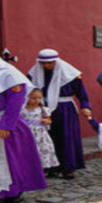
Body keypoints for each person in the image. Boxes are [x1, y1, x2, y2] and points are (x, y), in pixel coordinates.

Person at [0, 41, 47, 203]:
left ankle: (13, 191)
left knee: (12, 158)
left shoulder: (9, 75)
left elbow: (15, 102)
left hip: (5, 122)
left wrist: (6, 125)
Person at [29, 48, 92, 179]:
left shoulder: (71, 75)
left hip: (65, 109)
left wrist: (85, 107)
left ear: (56, 62)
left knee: (66, 138)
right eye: (43, 63)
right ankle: (50, 166)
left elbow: (81, 93)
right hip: (42, 108)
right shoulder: (33, 74)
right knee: (47, 139)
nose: (46, 66)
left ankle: (68, 167)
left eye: (49, 63)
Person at [22, 87, 60, 174]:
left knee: (42, 150)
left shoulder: (43, 109)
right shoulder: (23, 109)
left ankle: (41, 169)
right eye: (33, 98)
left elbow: (49, 120)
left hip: (40, 134)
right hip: (27, 133)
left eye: (39, 98)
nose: (36, 100)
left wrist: (46, 121)